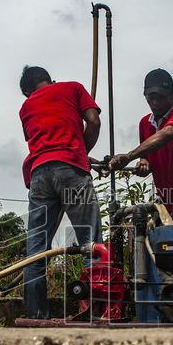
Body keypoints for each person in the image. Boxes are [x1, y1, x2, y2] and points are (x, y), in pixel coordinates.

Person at [18, 65, 102, 319]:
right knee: (91, 243)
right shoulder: (73, 87)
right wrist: (80, 155)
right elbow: (94, 121)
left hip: (40, 175)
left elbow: (45, 142)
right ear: (50, 80)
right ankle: (95, 310)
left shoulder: (26, 107)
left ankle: (36, 316)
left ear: (26, 92)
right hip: (71, 170)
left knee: (36, 249)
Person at [108, 68, 173, 224]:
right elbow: (146, 158)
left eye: (160, 97)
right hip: (165, 202)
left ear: (172, 95)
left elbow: (167, 133)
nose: (155, 103)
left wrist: (129, 156)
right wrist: (143, 164)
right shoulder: (144, 124)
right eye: (150, 97)